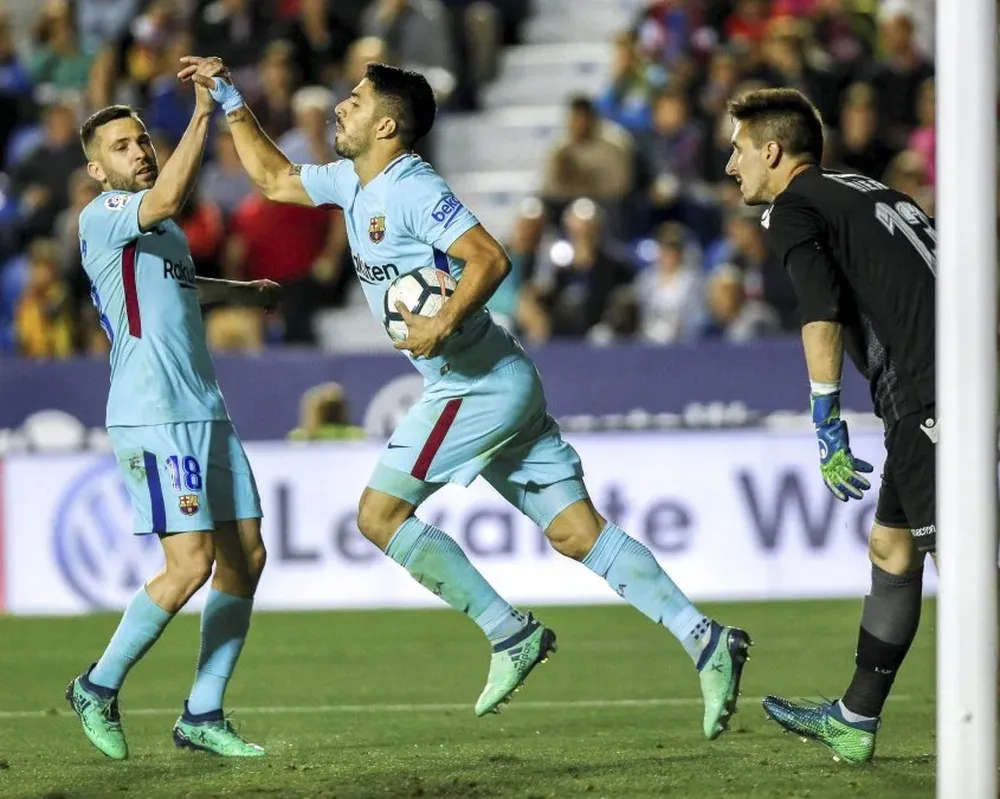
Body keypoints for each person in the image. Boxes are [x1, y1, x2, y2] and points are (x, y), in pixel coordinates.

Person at [193, 56, 751, 736]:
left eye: (357, 101)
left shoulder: (413, 187)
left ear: (388, 125)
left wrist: (441, 319)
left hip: (472, 381)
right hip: (495, 376)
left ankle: (508, 632)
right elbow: (276, 177)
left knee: (377, 515)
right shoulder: (351, 180)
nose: (342, 106)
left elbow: (489, 256)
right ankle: (706, 638)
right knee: (577, 532)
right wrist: (228, 96)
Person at [65, 56, 279, 760]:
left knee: (244, 555)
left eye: (141, 140)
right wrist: (200, 112)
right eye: (122, 146)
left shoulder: (160, 233)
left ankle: (204, 712)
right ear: (98, 171)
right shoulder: (105, 217)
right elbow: (165, 200)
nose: (140, 151)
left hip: (204, 408)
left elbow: (176, 284)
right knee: (189, 564)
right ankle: (97, 683)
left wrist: (238, 291)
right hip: (153, 412)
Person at [725, 87, 937, 763]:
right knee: (893, 549)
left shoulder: (795, 206)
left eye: (737, 150)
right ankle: (854, 715)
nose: (731, 166)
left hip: (929, 390)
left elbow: (819, 313)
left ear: (771, 149)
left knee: (962, 565)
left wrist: (827, 424)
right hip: (947, 376)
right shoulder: (864, 189)